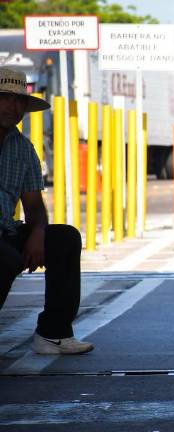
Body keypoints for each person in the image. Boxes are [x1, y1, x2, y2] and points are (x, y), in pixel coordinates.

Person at [0, 67, 93, 355]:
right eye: (4, 98)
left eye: (18, 101)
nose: (12, 107)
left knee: (64, 238)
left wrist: (38, 232)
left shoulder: (24, 149)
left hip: (6, 230)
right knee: (5, 257)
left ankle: (54, 333)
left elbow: (34, 206)